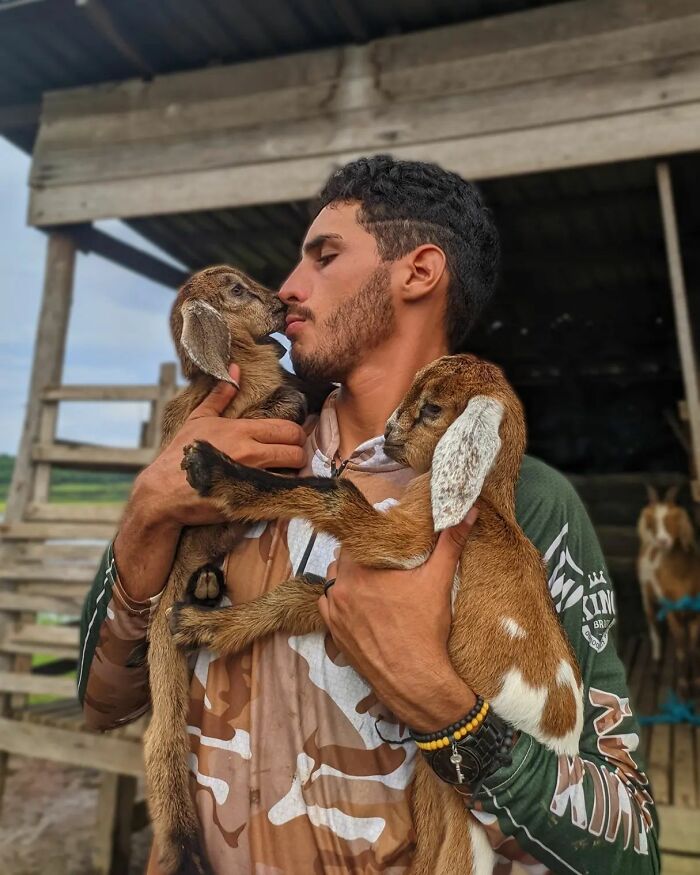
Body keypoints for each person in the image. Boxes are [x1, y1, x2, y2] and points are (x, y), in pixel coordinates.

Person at [79, 155, 659, 874]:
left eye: (324, 256)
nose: (287, 288)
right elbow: (102, 704)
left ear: (418, 271)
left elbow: (632, 843)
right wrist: (145, 515)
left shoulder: (522, 503)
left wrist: (453, 713)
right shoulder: (224, 471)